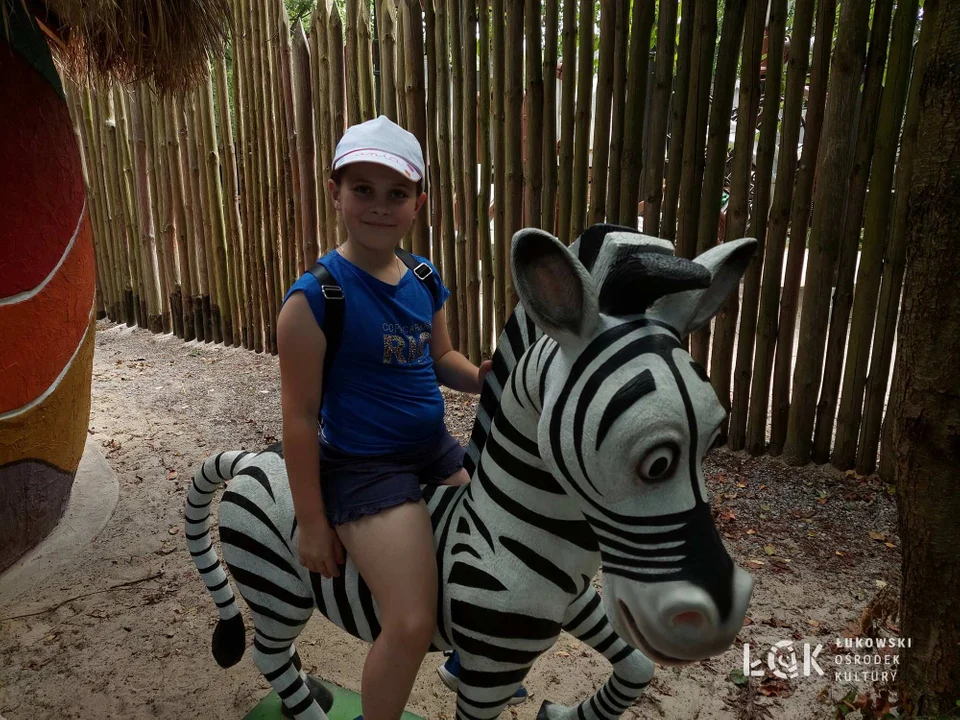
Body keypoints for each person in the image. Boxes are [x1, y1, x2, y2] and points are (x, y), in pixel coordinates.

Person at [277, 115, 493, 720]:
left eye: (396, 193)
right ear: (335, 192)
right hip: (365, 469)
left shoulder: (423, 277)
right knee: (410, 619)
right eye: (362, 190)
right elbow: (298, 418)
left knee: (501, 552)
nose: (379, 206)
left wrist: (482, 379)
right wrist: (313, 523)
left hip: (435, 449)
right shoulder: (315, 299)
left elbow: (441, 356)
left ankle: (461, 660)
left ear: (418, 202)